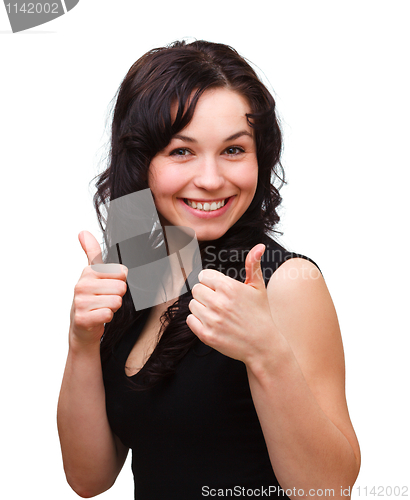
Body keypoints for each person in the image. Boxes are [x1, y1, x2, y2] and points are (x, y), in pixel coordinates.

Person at [57, 40, 361, 499]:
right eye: (182, 152)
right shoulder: (144, 257)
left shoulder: (287, 284)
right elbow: (89, 479)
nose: (212, 178)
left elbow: (331, 491)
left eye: (234, 150)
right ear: (141, 162)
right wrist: (82, 342)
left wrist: (266, 355)